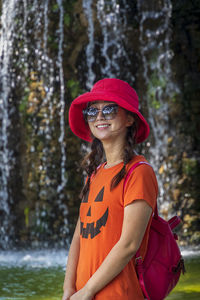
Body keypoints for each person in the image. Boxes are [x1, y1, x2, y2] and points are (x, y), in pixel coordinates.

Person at [62, 78, 158, 300]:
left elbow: (129, 244)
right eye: (92, 111)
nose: (99, 117)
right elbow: (79, 237)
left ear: (129, 118)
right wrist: (69, 289)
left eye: (109, 109)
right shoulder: (94, 174)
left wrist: (88, 290)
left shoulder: (139, 172)